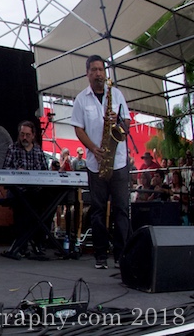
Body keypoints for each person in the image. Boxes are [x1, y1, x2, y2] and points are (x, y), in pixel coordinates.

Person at [70, 55, 131, 270]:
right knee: (97, 211)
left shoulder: (117, 94)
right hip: (96, 163)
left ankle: (122, 255)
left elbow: (127, 126)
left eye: (101, 70)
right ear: (87, 73)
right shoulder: (81, 99)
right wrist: (93, 149)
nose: (98, 74)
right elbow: (78, 128)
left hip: (119, 161)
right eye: (94, 70)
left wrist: (118, 121)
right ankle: (100, 256)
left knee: (122, 209)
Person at [0, 121, 51, 259]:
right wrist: (16, 171)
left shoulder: (38, 150)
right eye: (22, 134)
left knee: (48, 206)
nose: (24, 138)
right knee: (23, 207)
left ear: (33, 136)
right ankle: (22, 245)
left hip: (35, 191)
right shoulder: (13, 148)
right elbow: (4, 170)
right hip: (18, 191)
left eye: (28, 135)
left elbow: (46, 172)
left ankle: (38, 242)